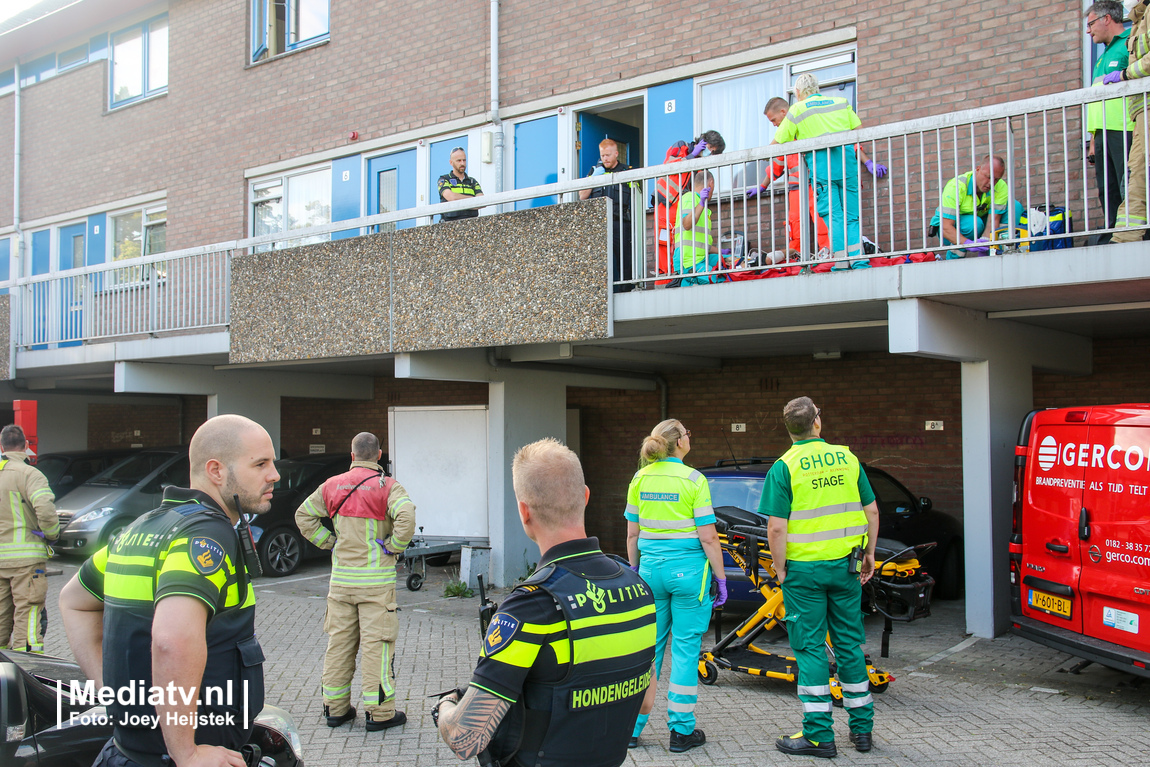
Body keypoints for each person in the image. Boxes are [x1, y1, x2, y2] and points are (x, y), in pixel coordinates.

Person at [58, 414, 279, 767]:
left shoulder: (140, 528)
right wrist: (186, 753)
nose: (274, 475)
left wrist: (110, 690)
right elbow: (171, 639)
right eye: (261, 464)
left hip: (126, 752)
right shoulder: (206, 535)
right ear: (216, 471)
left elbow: (73, 601)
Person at [435, 438, 655, 767]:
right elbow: (645, 702)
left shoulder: (531, 606)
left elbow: (466, 738)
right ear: (585, 497)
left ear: (524, 512)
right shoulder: (638, 590)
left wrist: (446, 707)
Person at [759, 398, 880, 759]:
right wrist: (869, 555)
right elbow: (870, 510)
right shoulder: (848, 459)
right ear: (817, 422)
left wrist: (780, 569)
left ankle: (818, 736)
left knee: (810, 648)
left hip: (804, 573)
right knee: (848, 645)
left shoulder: (784, 467)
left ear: (789, 428)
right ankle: (862, 731)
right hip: (846, 567)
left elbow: (777, 528)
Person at [295, 431, 415, 733]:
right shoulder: (388, 487)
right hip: (376, 585)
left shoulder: (332, 485)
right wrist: (393, 546)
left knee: (339, 645)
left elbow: (303, 515)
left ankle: (335, 710)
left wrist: (329, 542)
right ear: (378, 455)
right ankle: (380, 714)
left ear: (352, 455)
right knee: (377, 646)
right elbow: (406, 517)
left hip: (341, 585)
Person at [625, 419, 726, 753]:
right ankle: (681, 732)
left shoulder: (640, 478)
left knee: (648, 650)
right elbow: (709, 537)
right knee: (684, 651)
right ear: (678, 443)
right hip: (689, 577)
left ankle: (631, 729)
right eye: (687, 433)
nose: (690, 436)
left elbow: (632, 534)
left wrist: (635, 570)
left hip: (650, 573)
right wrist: (721, 578)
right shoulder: (694, 479)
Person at [771, 74, 869, 270]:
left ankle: (842, 262)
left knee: (833, 215)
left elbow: (775, 146)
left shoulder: (798, 109)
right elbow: (860, 131)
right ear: (817, 89)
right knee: (852, 215)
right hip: (848, 163)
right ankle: (859, 261)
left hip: (823, 167)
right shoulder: (841, 102)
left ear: (798, 93)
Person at [0, 424, 58, 653]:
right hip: (26, 560)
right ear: (26, 445)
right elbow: (44, 508)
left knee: (2, 613)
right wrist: (51, 534)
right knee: (28, 609)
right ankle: (29, 664)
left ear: (1, 446)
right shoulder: (31, 474)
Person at [1086, 2, 1136, 243]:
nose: (1088, 31)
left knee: (1127, 182)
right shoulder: (1102, 55)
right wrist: (1093, 138)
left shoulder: (1129, 41)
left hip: (1125, 126)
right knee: (1107, 187)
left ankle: (1133, 231)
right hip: (1102, 132)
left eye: (1090, 23)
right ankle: (1113, 231)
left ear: (1107, 19)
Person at [654, 131, 725, 285]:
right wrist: (691, 155)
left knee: (679, 242)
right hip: (666, 205)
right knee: (665, 243)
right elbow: (668, 166)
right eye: (712, 151)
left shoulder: (700, 169)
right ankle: (665, 281)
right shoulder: (682, 146)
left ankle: (677, 278)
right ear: (705, 143)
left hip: (681, 206)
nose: (711, 156)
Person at [1107, 0, 1150, 243]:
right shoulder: (1138, 20)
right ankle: (1126, 236)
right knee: (1137, 172)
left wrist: (1124, 75)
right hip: (1141, 110)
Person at [928, 156, 1020, 258]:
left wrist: (985, 244)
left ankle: (1000, 251)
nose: (991, 183)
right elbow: (946, 227)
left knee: (1014, 206)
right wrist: (967, 244)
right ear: (978, 169)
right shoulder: (956, 187)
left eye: (996, 179)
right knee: (974, 223)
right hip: (949, 229)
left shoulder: (1001, 186)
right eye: (988, 177)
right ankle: (954, 259)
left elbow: (993, 221)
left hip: (979, 222)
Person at [579, 138, 637, 292]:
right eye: (603, 155)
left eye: (608, 155)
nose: (605, 158)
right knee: (601, 260)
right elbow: (582, 196)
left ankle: (625, 290)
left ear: (616, 154)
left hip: (620, 223)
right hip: (600, 225)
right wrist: (594, 179)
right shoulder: (594, 171)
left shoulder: (627, 170)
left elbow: (638, 195)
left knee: (624, 259)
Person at [672, 170, 723, 286]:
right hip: (689, 262)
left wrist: (721, 252)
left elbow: (701, 244)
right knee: (719, 279)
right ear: (711, 184)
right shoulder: (690, 197)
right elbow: (687, 224)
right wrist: (701, 203)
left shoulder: (701, 206)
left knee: (728, 264)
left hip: (700, 259)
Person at [437, 147, 484, 221]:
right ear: (451, 162)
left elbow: (482, 202)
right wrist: (473, 200)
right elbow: (451, 197)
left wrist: (458, 200)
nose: (462, 163)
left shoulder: (472, 181)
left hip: (472, 224)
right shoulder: (444, 179)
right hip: (450, 225)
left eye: (464, 160)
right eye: (459, 160)